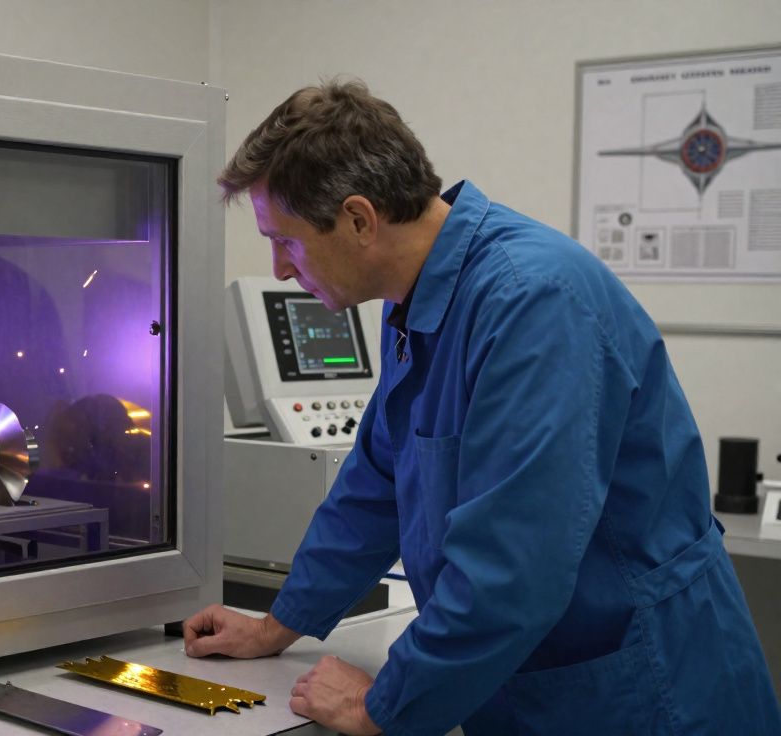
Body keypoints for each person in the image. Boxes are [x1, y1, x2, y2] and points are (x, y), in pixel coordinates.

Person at [185, 80, 781, 735]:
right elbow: (376, 484)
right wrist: (280, 624)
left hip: (645, 692)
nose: (278, 268)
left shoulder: (534, 304)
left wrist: (379, 706)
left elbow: (513, 568)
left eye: (287, 241)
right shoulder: (411, 299)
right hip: (538, 682)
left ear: (359, 220)